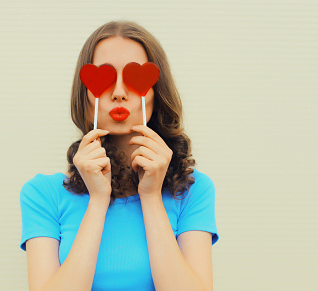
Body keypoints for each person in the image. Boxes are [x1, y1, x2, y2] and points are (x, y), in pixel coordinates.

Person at [19, 20, 219, 291]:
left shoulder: (192, 192)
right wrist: (98, 199)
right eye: (105, 79)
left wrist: (151, 197)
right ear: (85, 97)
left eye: (135, 79)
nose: (119, 94)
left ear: (157, 95)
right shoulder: (42, 195)